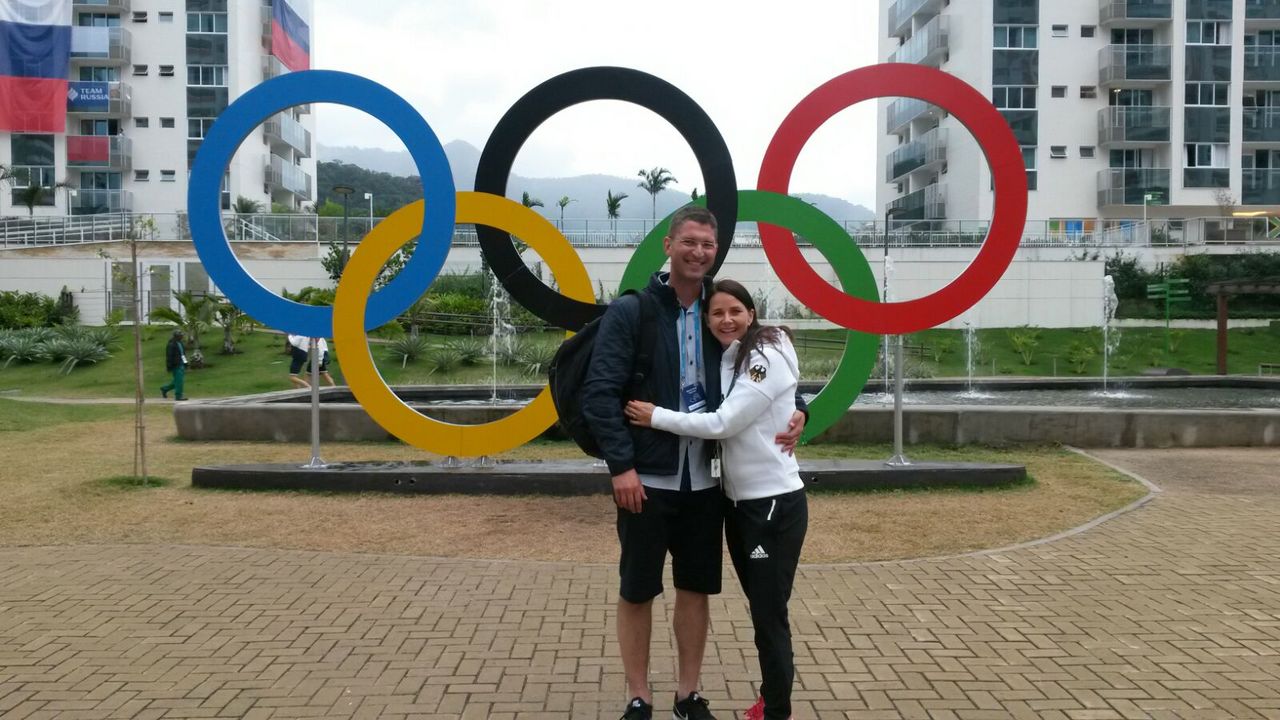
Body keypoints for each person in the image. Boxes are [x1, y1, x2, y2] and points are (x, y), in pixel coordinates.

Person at [582, 205, 807, 720]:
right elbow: (600, 394)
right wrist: (621, 466)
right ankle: (639, 695)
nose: (698, 252)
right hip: (646, 478)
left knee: (695, 587)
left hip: (706, 481)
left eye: (707, 244)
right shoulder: (634, 310)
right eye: (689, 242)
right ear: (668, 244)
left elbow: (766, 371)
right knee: (637, 588)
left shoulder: (719, 309)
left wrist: (800, 408)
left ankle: (688, 694)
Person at [625, 279, 807, 720]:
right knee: (762, 608)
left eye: (736, 311)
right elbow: (773, 401)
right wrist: (801, 404)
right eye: (717, 313)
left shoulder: (765, 350)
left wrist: (656, 417)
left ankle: (776, 709)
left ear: (752, 313)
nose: (727, 320)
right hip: (738, 504)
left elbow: (726, 421)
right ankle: (770, 699)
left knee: (769, 613)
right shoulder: (731, 356)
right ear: (705, 320)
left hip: (771, 504)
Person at [160, 329, 188, 400]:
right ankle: (178, 396)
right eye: (180, 336)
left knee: (177, 381)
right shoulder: (171, 344)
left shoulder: (180, 343)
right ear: (176, 336)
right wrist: (169, 366)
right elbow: (169, 356)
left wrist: (185, 362)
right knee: (179, 381)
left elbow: (182, 354)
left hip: (181, 364)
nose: (182, 337)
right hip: (176, 365)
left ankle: (165, 388)